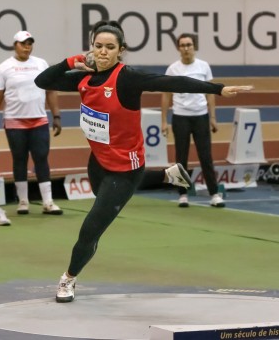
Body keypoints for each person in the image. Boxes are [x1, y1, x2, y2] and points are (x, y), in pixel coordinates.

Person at [35, 20, 253, 303]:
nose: (103, 52)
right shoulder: (83, 78)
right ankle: (165, 175)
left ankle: (68, 279)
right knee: (105, 201)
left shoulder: (127, 78)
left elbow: (171, 82)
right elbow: (42, 81)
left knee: (92, 227)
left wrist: (218, 89)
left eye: (110, 47)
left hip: (125, 167)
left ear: (120, 51)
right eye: (98, 46)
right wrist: (71, 61)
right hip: (98, 161)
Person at [0, 31, 64, 216]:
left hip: (39, 120)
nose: (27, 47)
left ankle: (48, 202)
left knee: (41, 158)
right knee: (19, 160)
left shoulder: (41, 64)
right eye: (23, 43)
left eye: (30, 43)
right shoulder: (4, 68)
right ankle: (23, 201)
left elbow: (51, 91)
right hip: (14, 122)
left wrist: (57, 116)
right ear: (15, 45)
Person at [161, 33, 225, 209]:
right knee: (180, 157)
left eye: (189, 45)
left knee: (206, 156)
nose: (186, 48)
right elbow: (166, 96)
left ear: (194, 46)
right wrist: (163, 121)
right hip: (181, 116)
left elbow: (211, 93)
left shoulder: (203, 67)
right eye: (182, 45)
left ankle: (214, 193)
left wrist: (213, 117)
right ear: (178, 48)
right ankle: (182, 194)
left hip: (201, 116)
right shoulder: (173, 69)